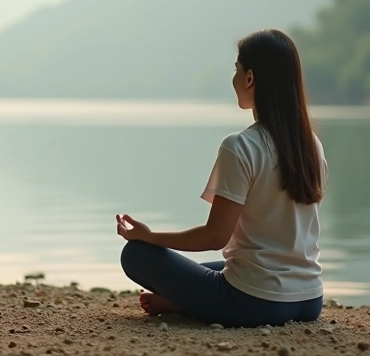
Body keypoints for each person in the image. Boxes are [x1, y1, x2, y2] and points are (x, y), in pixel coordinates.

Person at [116, 29, 326, 328]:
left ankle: (183, 301)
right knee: (212, 267)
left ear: (250, 77)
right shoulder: (311, 145)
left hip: (257, 303)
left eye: (236, 69)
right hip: (309, 298)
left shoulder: (240, 146)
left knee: (136, 254)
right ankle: (180, 301)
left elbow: (215, 237)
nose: (235, 78)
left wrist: (148, 237)